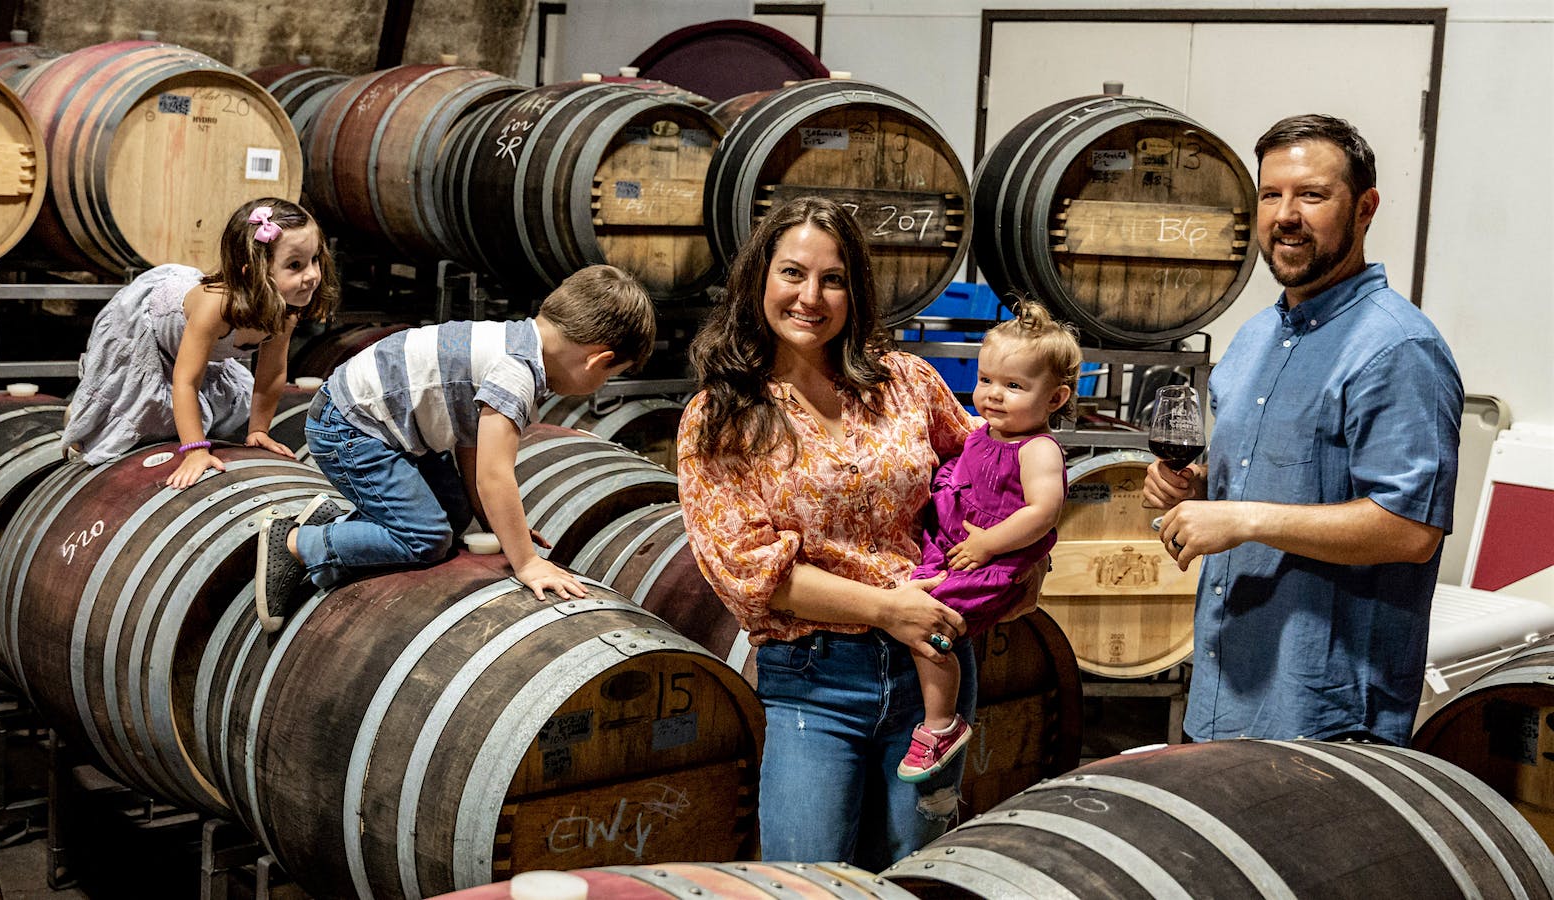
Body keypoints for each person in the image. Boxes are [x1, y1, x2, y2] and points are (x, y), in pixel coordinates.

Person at [676, 196, 977, 869]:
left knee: (916, 874)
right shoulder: (722, 416)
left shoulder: (906, 383)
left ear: (856, 290)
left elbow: (991, 468)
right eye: (792, 274)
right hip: (817, 681)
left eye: (833, 278)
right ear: (759, 281)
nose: (810, 297)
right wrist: (886, 608)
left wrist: (1020, 573)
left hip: (932, 672)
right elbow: (750, 568)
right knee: (807, 880)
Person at [1144, 114, 1464, 746]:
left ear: (1366, 207)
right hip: (1222, 683)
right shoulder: (1256, 338)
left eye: (1312, 195)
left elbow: (1410, 530)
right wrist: (1198, 489)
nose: (1285, 215)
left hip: (1324, 715)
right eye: (1271, 195)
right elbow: (1276, 478)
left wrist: (1246, 520)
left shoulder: (1398, 349)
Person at [252, 264, 656, 633]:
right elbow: (494, 475)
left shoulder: (512, 339)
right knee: (426, 538)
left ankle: (345, 524)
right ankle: (296, 544)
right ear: (596, 360)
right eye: (610, 376)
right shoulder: (517, 374)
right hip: (351, 428)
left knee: (457, 513)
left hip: (380, 422)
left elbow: (471, 441)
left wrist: (493, 520)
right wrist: (527, 561)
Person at [900, 301, 1077, 782]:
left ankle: (940, 725)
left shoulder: (1038, 449)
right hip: (959, 546)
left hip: (992, 561)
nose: (994, 395)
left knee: (933, 623)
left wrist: (990, 545)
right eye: (986, 380)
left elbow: (1042, 512)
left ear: (1055, 399)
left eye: (1015, 386)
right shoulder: (986, 432)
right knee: (911, 603)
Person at [61, 198, 338, 486]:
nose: (312, 275)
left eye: (315, 259)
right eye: (295, 265)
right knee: (140, 409)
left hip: (193, 344)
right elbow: (186, 381)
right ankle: (83, 416)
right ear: (252, 273)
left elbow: (270, 375)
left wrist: (258, 430)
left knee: (227, 404)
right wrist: (194, 450)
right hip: (149, 327)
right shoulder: (215, 308)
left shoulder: (285, 313)